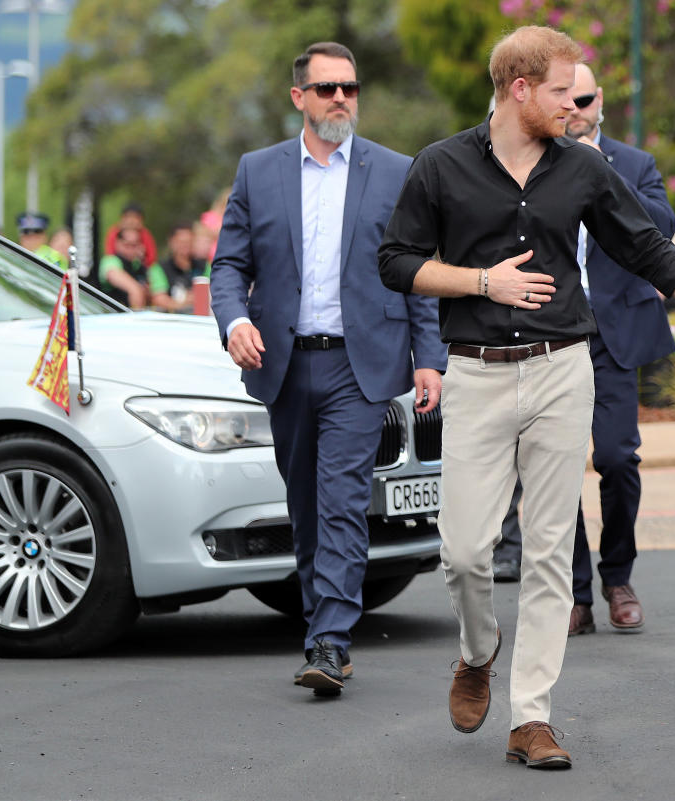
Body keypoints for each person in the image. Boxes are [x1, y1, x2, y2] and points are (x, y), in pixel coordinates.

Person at [377, 25, 675, 769]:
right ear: (519, 89)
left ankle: (532, 718)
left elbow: (648, 248)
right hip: (476, 372)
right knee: (463, 551)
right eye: (559, 92)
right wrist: (485, 281)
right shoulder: (441, 165)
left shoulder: (581, 168)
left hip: (561, 368)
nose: (574, 105)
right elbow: (397, 262)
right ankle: (477, 650)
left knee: (549, 552)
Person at [209, 41, 446, 696]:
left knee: (342, 497)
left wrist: (430, 357)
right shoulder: (259, 173)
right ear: (299, 98)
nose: (341, 98)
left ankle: (331, 640)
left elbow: (417, 274)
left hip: (358, 365)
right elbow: (229, 266)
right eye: (327, 89)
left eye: (350, 88)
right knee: (306, 504)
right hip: (284, 365)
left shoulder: (394, 171)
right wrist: (236, 322)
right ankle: (322, 625)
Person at [489, 62, 675, 639]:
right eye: (565, 96)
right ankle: (574, 593)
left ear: (602, 103)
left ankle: (617, 576)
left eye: (585, 97)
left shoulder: (634, 163)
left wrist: (596, 172)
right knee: (554, 467)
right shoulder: (528, 159)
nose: (575, 107)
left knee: (618, 459)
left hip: (614, 334)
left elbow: (661, 226)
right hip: (549, 329)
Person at [149, 222, 209, 313]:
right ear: (171, 242)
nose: (185, 246)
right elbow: (159, 299)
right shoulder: (159, 268)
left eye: (188, 242)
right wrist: (183, 303)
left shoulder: (205, 266)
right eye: (181, 242)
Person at [97, 226, 151, 308]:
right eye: (127, 245)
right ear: (117, 243)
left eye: (135, 245)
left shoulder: (138, 266)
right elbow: (135, 290)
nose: (130, 249)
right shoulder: (111, 260)